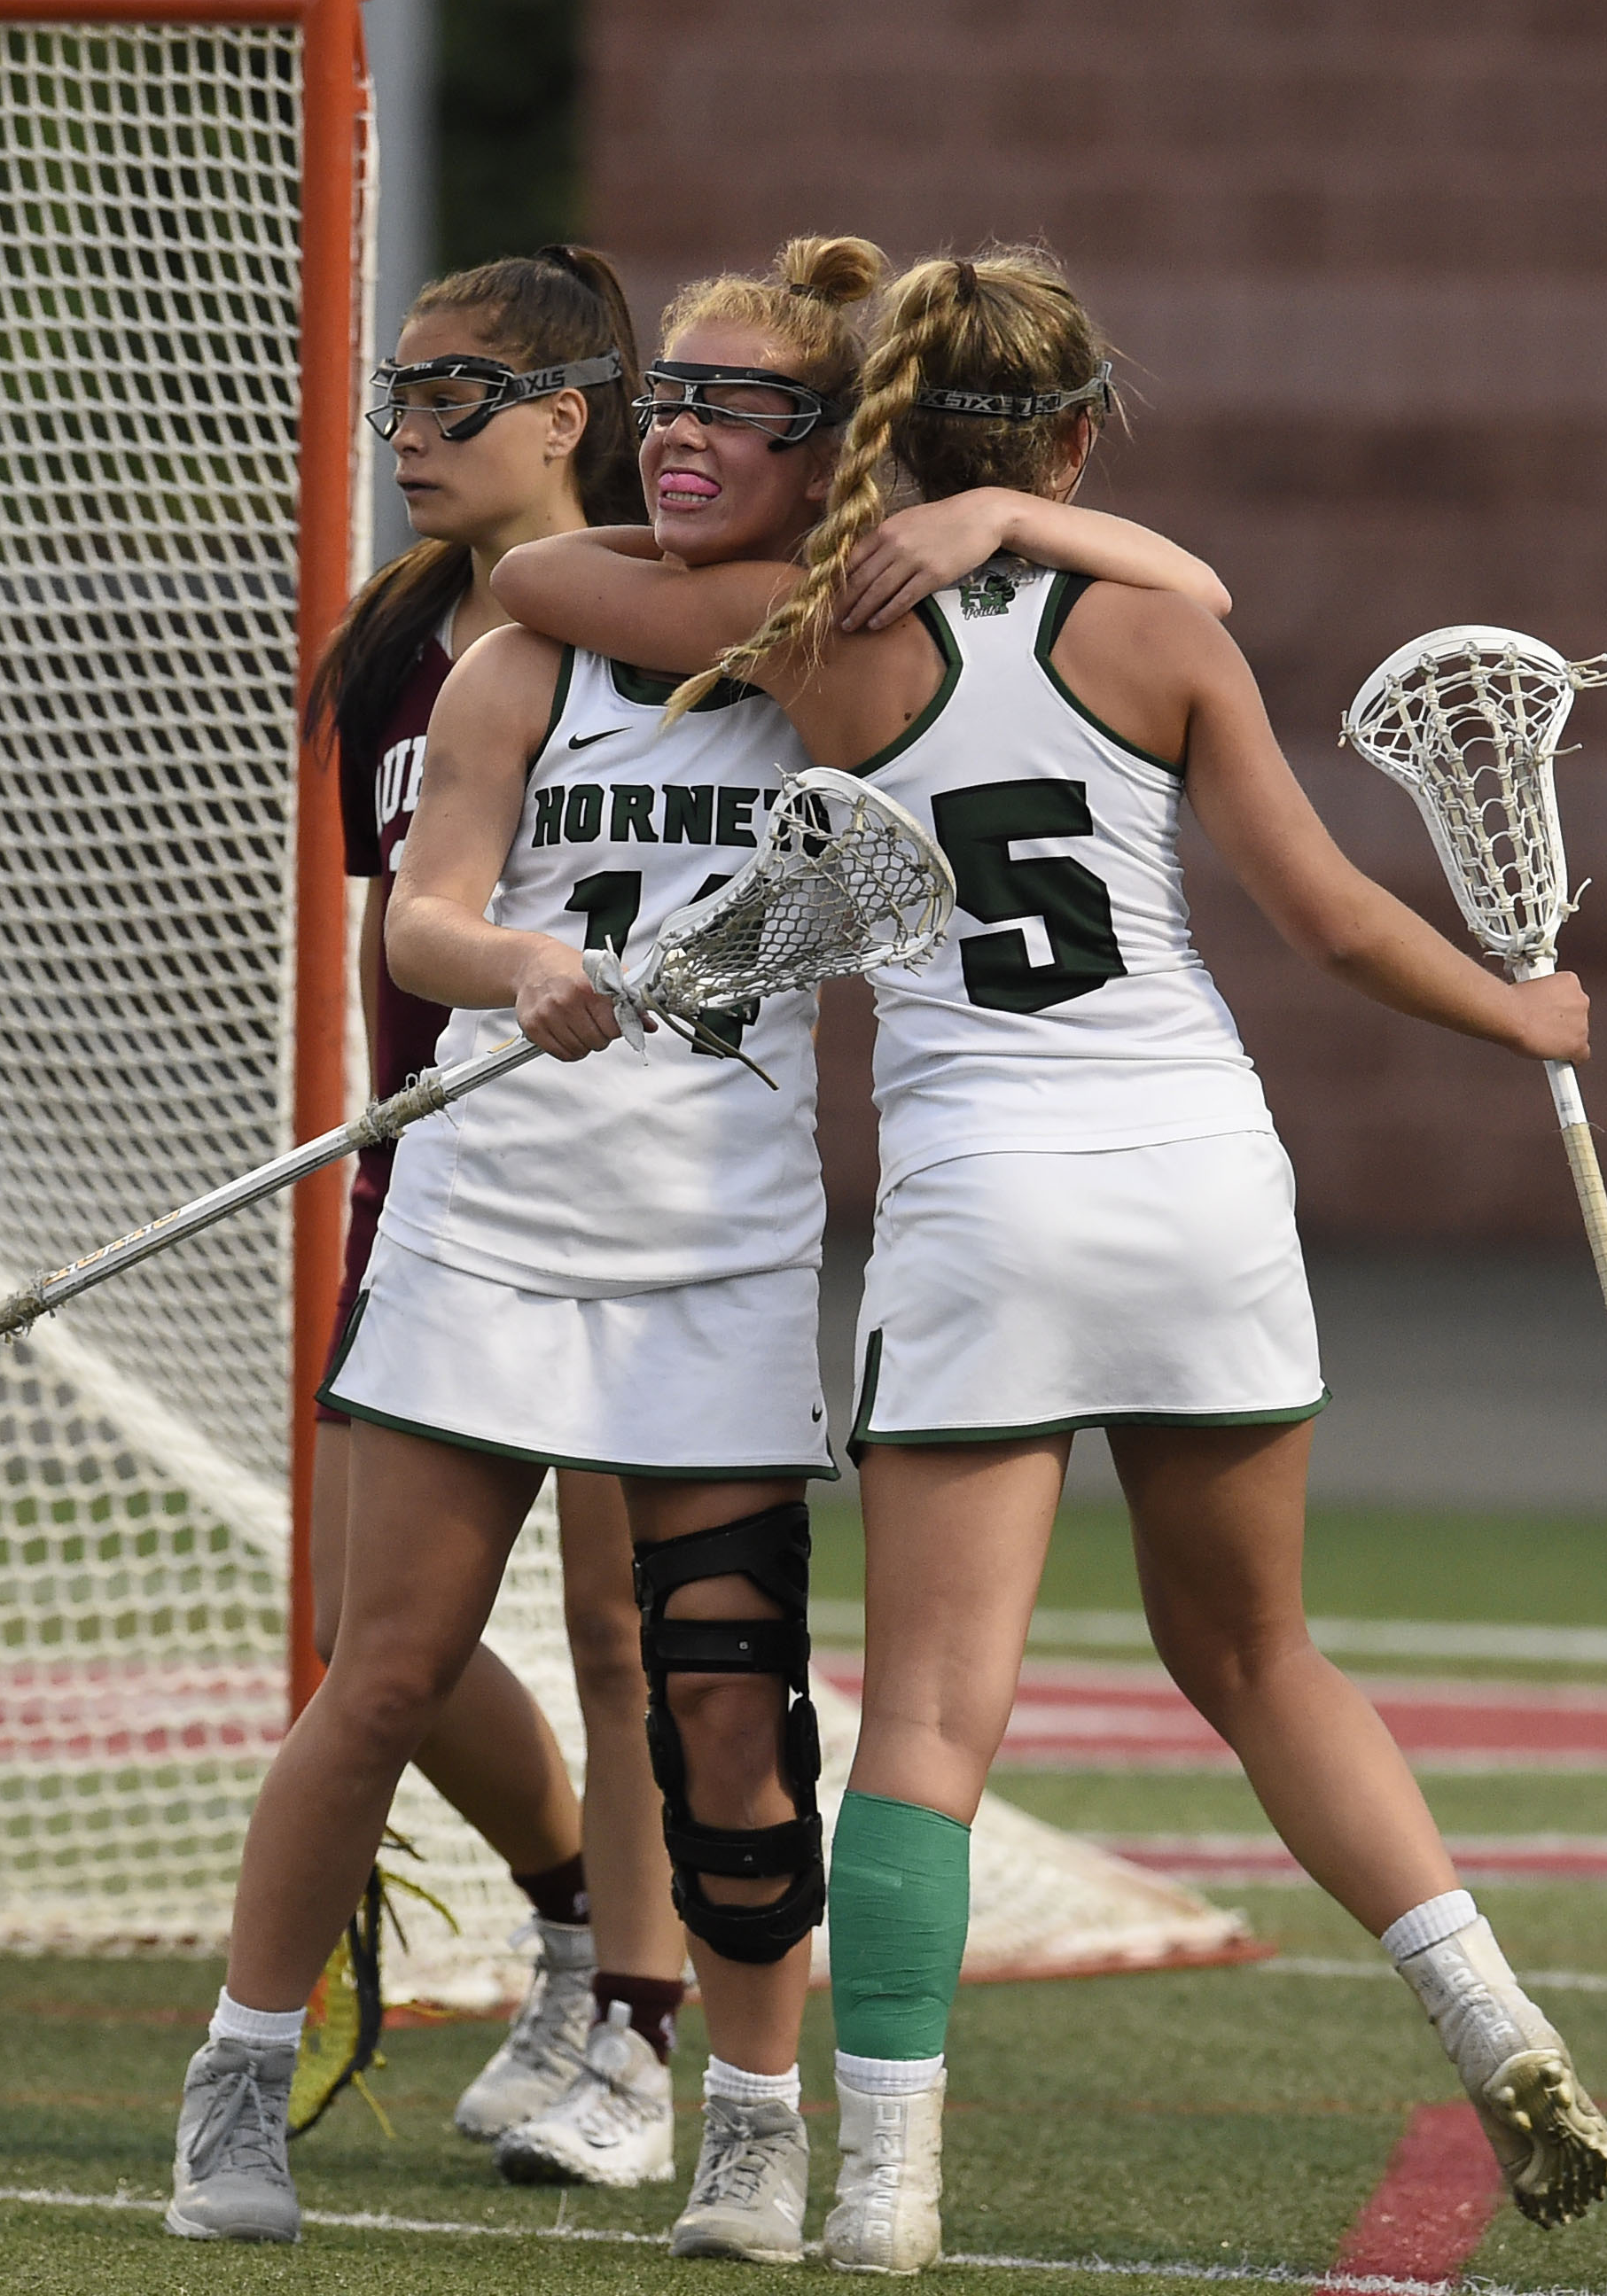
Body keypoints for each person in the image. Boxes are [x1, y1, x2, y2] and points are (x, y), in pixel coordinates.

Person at [495, 245, 1607, 2271]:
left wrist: (875, 526)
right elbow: (1333, 920)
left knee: (932, 1717)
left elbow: (536, 581)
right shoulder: (1160, 625)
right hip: (1198, 1175)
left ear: (873, 432)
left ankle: (882, 2188)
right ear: (1079, 438)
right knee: (1261, 1658)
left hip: (985, 1199)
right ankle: (1489, 2015)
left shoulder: (804, 625)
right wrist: (1518, 1014)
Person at [168, 235, 1231, 2255]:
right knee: (381, 1674)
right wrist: (512, 963)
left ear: (830, 448)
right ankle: (234, 2080)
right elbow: (421, 917)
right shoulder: (527, 653)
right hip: (487, 1231)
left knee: (728, 1706)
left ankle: (747, 2125)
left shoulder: (842, 665)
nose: (684, 436)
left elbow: (1182, 589)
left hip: (720, 1261)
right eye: (673, 398)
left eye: (745, 410)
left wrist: (996, 513)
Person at [301, 242, 690, 2171]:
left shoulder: (675, 625)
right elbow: (397, 930)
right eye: (398, 391)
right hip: (434, 1181)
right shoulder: (392, 643)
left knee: (624, 1629)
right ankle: (571, 1916)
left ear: (564, 419)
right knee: (367, 1635)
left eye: (451, 394)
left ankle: (641, 2035)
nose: (408, 429)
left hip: (630, 1191)